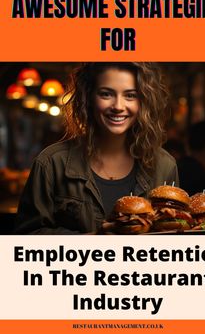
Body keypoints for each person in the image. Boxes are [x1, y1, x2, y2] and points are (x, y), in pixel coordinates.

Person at [14, 62, 179, 234]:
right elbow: (27, 238)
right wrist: (94, 241)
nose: (118, 106)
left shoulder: (165, 165)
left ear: (143, 102)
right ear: (89, 98)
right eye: (106, 94)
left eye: (130, 96)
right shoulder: (51, 164)